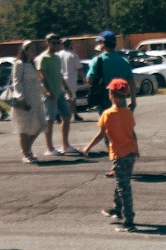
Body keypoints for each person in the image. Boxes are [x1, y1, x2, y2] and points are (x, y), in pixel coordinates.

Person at [82, 77, 139, 231]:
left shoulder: (107, 114)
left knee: (124, 187)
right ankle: (117, 209)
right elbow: (133, 134)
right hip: (131, 153)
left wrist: (87, 147)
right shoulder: (127, 113)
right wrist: (137, 150)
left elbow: (101, 135)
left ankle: (129, 221)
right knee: (122, 182)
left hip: (120, 155)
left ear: (111, 95)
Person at [36, 33, 76, 156]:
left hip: (59, 92)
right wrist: (48, 91)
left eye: (57, 42)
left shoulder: (57, 57)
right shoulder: (43, 58)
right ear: (47, 43)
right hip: (49, 94)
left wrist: (67, 88)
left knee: (67, 115)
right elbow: (41, 77)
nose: (56, 45)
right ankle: (50, 147)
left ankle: (65, 145)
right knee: (50, 120)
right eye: (53, 42)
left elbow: (59, 74)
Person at [8, 40, 46, 163]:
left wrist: (45, 92)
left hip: (36, 98)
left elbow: (37, 81)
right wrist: (21, 98)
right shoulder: (19, 64)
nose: (34, 52)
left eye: (35, 49)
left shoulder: (33, 63)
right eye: (31, 49)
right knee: (24, 128)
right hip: (25, 99)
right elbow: (16, 82)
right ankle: (26, 153)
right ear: (25, 50)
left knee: (40, 125)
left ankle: (27, 149)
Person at [86, 30, 135, 114]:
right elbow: (131, 83)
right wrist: (133, 101)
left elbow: (89, 80)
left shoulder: (97, 60)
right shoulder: (124, 61)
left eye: (99, 42)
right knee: (121, 126)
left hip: (103, 100)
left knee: (105, 125)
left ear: (103, 43)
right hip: (121, 100)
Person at [58, 38, 85, 121]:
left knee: (62, 96)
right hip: (70, 78)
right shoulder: (73, 55)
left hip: (60, 77)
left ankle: (61, 114)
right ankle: (72, 114)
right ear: (70, 45)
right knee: (71, 97)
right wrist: (83, 77)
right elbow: (79, 68)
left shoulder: (58, 54)